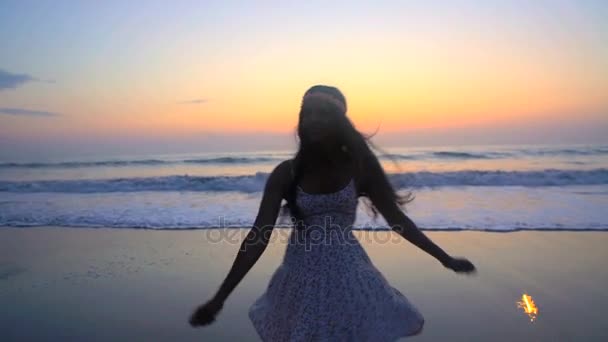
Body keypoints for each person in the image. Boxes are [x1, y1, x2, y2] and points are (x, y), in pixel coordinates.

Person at [189, 85, 476, 341]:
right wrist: (220, 298)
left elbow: (397, 221)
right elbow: (257, 238)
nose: (313, 119)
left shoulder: (360, 167)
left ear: (339, 121)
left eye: (323, 113)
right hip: (300, 280)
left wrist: (445, 258)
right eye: (307, 113)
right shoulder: (285, 174)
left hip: (349, 278)